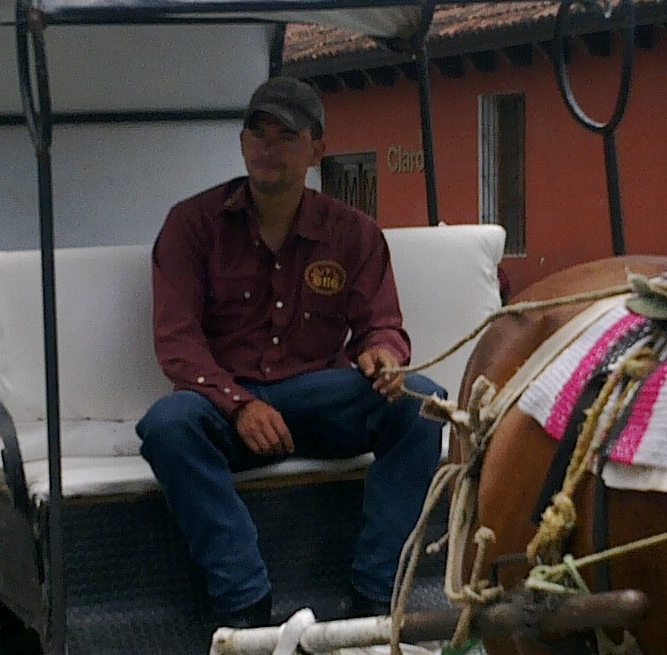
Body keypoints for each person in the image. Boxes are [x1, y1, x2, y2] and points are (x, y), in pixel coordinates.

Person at [136, 75, 443, 622]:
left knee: (421, 402)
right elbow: (177, 342)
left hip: (319, 398)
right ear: (242, 141)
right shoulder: (192, 224)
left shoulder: (354, 233)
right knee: (167, 425)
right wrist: (239, 404)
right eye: (258, 133)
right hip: (223, 407)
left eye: (286, 135)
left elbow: (382, 324)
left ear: (316, 149)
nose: (268, 148)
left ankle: (376, 595)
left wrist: (383, 354)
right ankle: (245, 603)